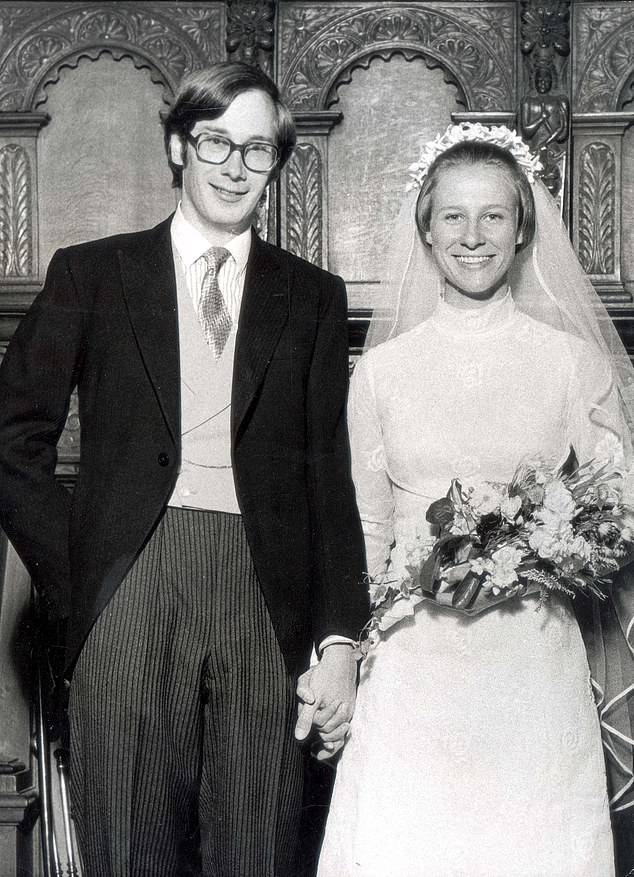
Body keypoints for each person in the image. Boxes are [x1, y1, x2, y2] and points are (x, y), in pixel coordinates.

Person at [0, 62, 368, 876]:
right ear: (178, 145)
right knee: (125, 847)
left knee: (257, 847)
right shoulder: (92, 274)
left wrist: (338, 635)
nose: (236, 167)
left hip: (264, 593)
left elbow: (329, 476)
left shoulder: (312, 297)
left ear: (276, 163)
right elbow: (11, 437)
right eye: (216, 143)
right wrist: (81, 568)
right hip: (129, 580)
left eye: (258, 150)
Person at [317, 124, 634, 876]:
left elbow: (619, 503)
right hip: (413, 661)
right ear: (425, 229)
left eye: (493, 215)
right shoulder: (381, 372)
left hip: (530, 658)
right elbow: (365, 527)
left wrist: (539, 548)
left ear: (523, 228)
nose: (472, 236)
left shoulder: (570, 361)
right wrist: (346, 657)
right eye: (453, 216)